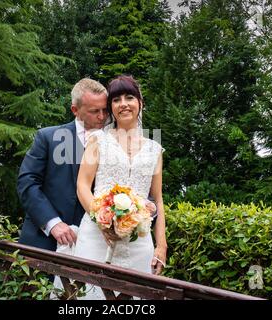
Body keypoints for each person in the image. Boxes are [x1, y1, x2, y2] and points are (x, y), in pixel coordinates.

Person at [73, 75, 167, 299]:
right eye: (116, 100)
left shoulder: (155, 149)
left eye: (129, 97)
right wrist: (101, 220)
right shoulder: (98, 140)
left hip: (139, 240)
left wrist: (161, 245)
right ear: (111, 108)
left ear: (140, 103)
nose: (123, 103)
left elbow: (158, 199)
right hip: (98, 236)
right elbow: (82, 185)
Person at [17, 78, 108, 251]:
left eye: (105, 110)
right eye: (94, 111)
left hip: (96, 246)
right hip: (44, 243)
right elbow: (27, 183)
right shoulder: (48, 137)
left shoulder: (116, 144)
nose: (102, 116)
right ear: (75, 110)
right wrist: (52, 223)